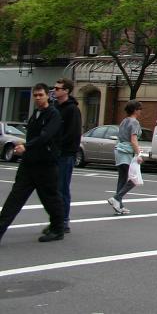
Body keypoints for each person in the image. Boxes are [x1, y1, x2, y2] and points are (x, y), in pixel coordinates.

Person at [0, 83, 67, 243]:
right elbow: (33, 136)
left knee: (50, 199)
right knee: (15, 198)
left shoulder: (53, 114)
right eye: (35, 95)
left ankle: (58, 229)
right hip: (29, 163)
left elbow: (46, 136)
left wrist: (26, 146)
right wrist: (25, 146)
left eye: (40, 95)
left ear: (47, 96)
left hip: (46, 164)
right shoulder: (36, 114)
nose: (37, 98)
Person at [48, 79, 82, 235]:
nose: (54, 90)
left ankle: (63, 221)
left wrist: (58, 146)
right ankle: (56, 221)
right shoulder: (55, 107)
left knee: (61, 188)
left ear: (66, 90)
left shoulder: (72, 110)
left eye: (57, 88)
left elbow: (72, 134)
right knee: (53, 188)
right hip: (53, 153)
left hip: (65, 154)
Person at [107, 101, 143, 215]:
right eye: (140, 109)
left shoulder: (124, 121)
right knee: (134, 179)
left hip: (119, 150)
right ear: (135, 110)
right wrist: (138, 154)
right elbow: (133, 139)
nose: (141, 111)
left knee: (122, 178)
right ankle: (116, 198)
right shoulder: (134, 122)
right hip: (126, 152)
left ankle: (119, 206)